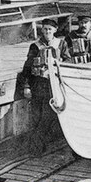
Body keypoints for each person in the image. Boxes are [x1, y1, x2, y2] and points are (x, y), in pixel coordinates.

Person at [22, 18, 71, 153]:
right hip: (39, 84)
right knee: (37, 116)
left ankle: (39, 146)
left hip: (54, 85)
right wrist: (26, 86)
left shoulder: (61, 44)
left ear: (55, 30)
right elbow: (27, 67)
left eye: (50, 29)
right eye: (45, 29)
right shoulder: (35, 46)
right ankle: (37, 148)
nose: (47, 31)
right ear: (41, 30)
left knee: (48, 116)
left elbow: (68, 62)